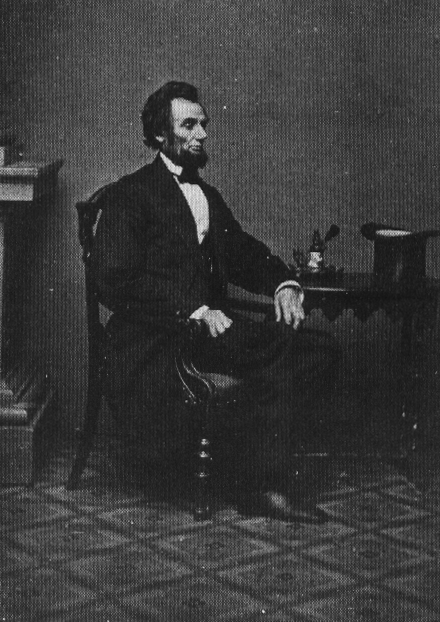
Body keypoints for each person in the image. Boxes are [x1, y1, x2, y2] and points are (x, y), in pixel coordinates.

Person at [90, 81, 339, 520]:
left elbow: (243, 253)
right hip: (153, 344)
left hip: (208, 335)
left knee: (319, 351)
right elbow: (115, 281)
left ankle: (243, 468)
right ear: (161, 135)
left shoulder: (207, 195)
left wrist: (283, 283)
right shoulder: (130, 195)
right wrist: (193, 310)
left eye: (203, 123)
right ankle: (262, 486)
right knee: (282, 350)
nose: (202, 134)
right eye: (189, 125)